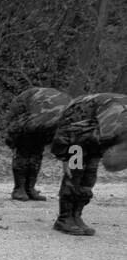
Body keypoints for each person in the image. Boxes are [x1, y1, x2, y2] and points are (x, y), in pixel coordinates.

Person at [49, 92, 127, 236]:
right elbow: (67, 130)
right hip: (76, 139)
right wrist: (65, 155)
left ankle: (76, 216)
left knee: (89, 177)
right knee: (75, 173)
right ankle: (64, 219)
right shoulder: (113, 122)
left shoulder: (115, 127)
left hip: (94, 137)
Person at [3, 86, 72, 201]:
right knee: (24, 149)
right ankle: (19, 189)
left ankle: (30, 189)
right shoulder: (39, 121)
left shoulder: (75, 124)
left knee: (37, 150)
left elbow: (72, 153)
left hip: (46, 111)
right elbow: (15, 129)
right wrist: (13, 142)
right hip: (26, 105)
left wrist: (70, 180)